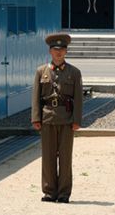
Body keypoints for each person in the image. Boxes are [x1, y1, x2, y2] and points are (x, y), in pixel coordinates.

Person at [31, 33, 83, 203]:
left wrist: (77, 120)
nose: (58, 53)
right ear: (50, 51)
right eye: (55, 50)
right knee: (48, 157)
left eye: (62, 50)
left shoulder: (74, 72)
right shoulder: (41, 71)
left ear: (66, 51)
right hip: (47, 119)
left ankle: (63, 193)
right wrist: (36, 118)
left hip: (67, 120)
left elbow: (78, 98)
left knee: (65, 158)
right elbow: (36, 97)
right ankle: (49, 191)